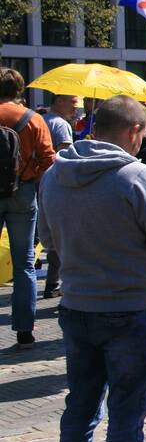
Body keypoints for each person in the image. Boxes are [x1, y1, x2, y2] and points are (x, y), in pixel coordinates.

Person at [37, 95, 146, 442]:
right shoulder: (136, 176)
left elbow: (48, 241)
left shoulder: (54, 175)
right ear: (134, 131)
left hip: (77, 307)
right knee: (125, 418)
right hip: (130, 309)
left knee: (80, 411)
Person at [0, 68, 56, 348]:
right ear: (20, 90)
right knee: (24, 263)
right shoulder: (33, 119)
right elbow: (49, 160)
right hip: (23, 191)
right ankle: (24, 330)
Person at [41, 94, 77, 299]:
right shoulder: (61, 125)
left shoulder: (40, 120)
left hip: (35, 182)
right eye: (73, 103)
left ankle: (52, 282)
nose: (76, 108)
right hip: (57, 181)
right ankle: (54, 282)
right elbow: (64, 157)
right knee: (58, 236)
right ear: (59, 101)